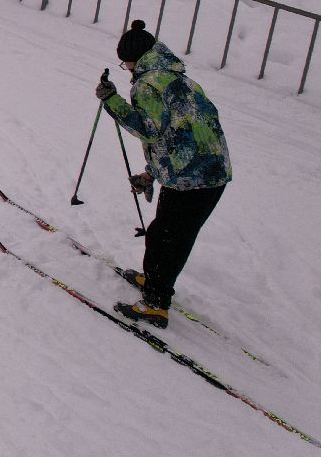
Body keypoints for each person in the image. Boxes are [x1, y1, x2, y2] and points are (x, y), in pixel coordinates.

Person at [98, 20, 232, 329]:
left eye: (125, 62)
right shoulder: (177, 78)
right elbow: (181, 137)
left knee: (169, 238)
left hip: (191, 180)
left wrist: (112, 101)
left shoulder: (147, 86)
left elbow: (149, 131)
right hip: (209, 173)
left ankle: (155, 303)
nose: (126, 67)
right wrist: (151, 174)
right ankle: (154, 280)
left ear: (134, 58)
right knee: (167, 233)